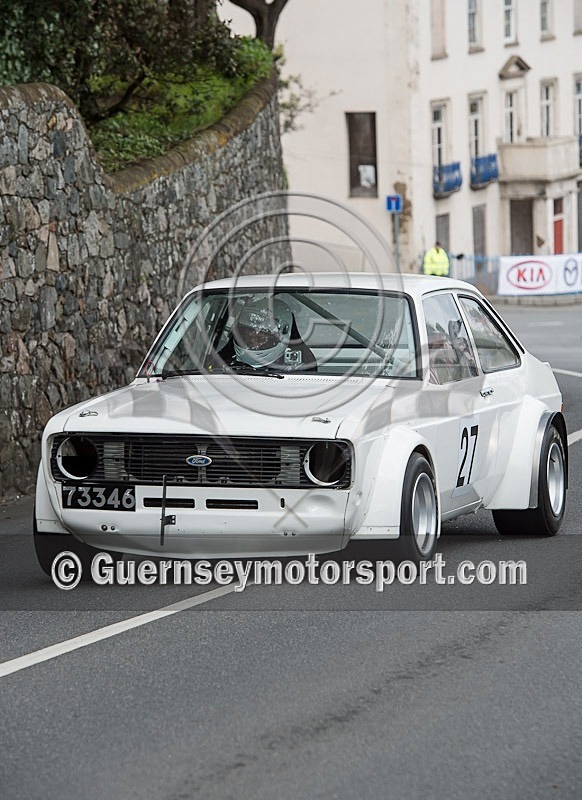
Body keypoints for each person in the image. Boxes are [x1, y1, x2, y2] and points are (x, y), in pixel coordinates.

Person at [209, 295, 317, 372]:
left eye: (260, 338)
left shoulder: (299, 367)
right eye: (247, 336)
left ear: (281, 337)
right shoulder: (225, 360)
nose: (252, 343)